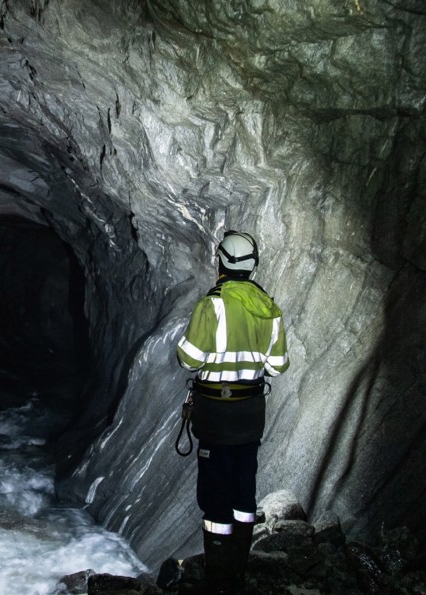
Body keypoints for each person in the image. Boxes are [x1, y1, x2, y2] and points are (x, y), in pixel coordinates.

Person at [175, 230, 290, 594]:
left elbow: (188, 358)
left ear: (221, 263)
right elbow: (277, 366)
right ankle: (238, 569)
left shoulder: (213, 305)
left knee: (215, 494)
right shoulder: (269, 308)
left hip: (216, 413)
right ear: (253, 266)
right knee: (244, 485)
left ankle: (218, 575)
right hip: (251, 413)